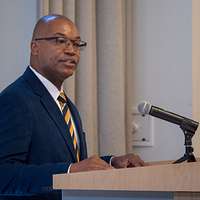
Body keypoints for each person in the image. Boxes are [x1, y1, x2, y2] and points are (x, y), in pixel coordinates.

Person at [0, 14, 145, 200]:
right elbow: (4, 175)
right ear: (34, 47)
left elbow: (71, 164)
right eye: (60, 41)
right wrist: (69, 170)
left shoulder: (67, 105)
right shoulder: (15, 99)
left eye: (76, 44)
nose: (71, 50)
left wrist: (111, 162)